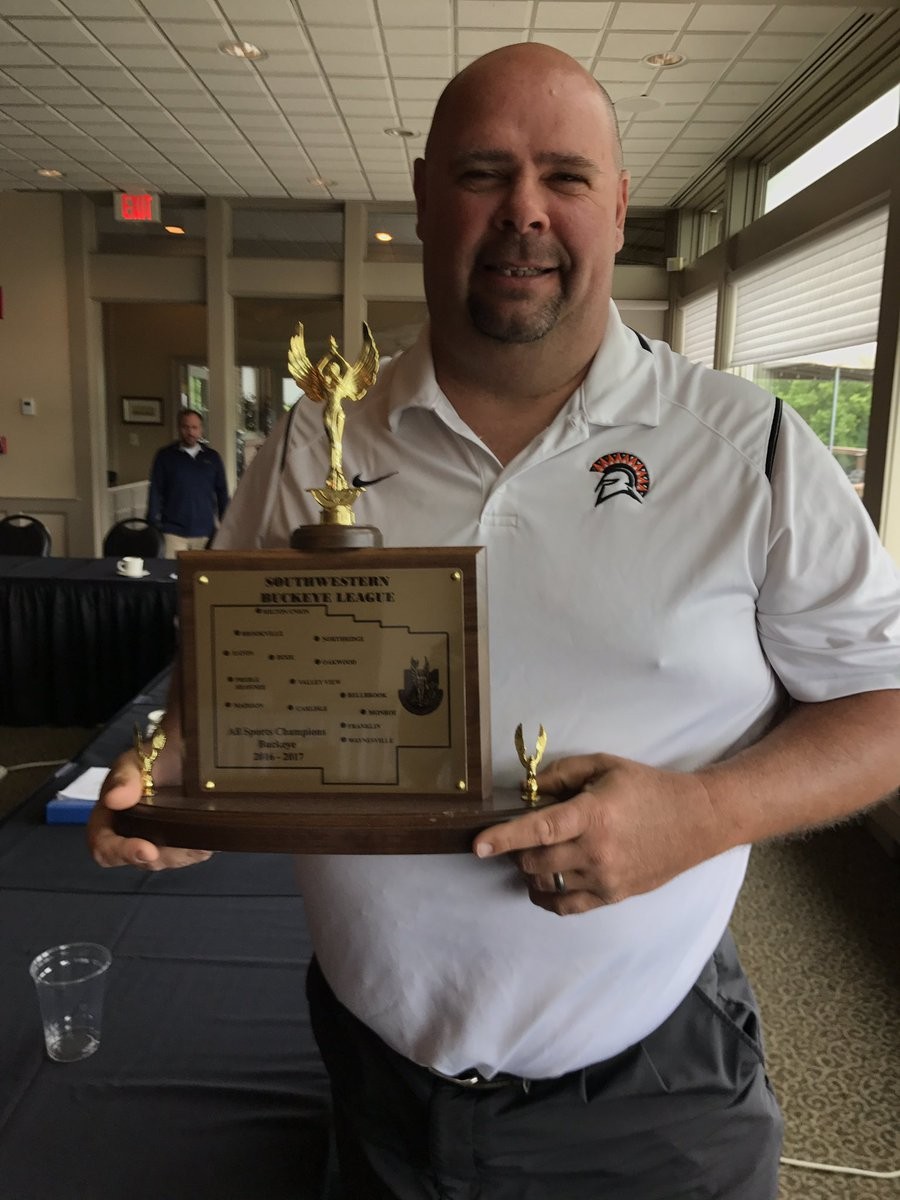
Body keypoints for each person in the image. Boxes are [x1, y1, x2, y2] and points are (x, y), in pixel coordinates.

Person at [89, 42, 900, 1200]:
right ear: (425, 200)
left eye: (566, 176)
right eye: (484, 172)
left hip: (650, 1103)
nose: (525, 210)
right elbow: (237, 674)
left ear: (619, 209)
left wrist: (703, 813)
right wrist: (183, 783)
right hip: (374, 1083)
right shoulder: (314, 444)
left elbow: (887, 701)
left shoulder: (751, 449)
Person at [146, 408, 229, 558]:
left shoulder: (213, 457)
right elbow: (155, 491)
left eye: (194, 427)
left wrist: (227, 524)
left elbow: (222, 492)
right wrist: (152, 525)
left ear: (201, 430)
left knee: (203, 578)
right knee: (172, 576)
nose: (190, 432)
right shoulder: (165, 456)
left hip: (205, 532)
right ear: (179, 428)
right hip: (173, 532)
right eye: (185, 427)